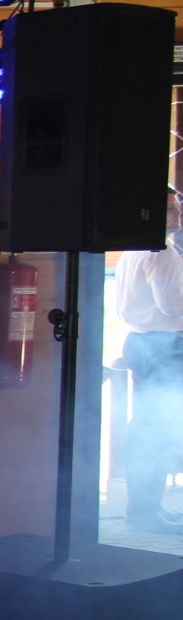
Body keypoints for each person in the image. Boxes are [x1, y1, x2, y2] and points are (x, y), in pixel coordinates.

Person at [114, 188, 183, 533]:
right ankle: (144, 512)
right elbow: (174, 306)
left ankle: (145, 507)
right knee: (158, 429)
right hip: (163, 346)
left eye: (178, 206)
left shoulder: (134, 248)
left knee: (148, 428)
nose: (178, 212)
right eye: (171, 207)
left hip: (142, 342)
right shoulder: (161, 250)